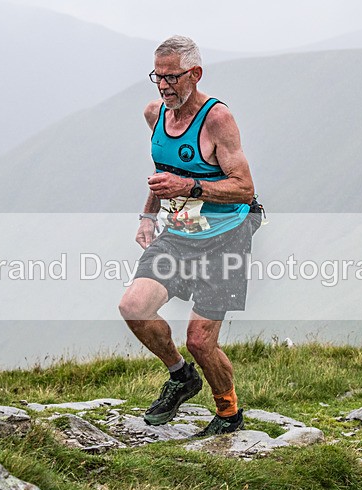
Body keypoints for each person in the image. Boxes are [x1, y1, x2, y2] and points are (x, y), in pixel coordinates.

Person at [118, 35, 261, 437]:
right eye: (157, 77)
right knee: (134, 307)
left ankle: (229, 414)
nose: (163, 87)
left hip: (226, 238)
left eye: (172, 78)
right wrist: (147, 216)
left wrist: (191, 187)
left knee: (200, 340)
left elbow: (244, 188)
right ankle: (181, 377)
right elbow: (162, 170)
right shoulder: (155, 114)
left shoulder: (217, 120)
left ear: (195, 75)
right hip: (180, 233)